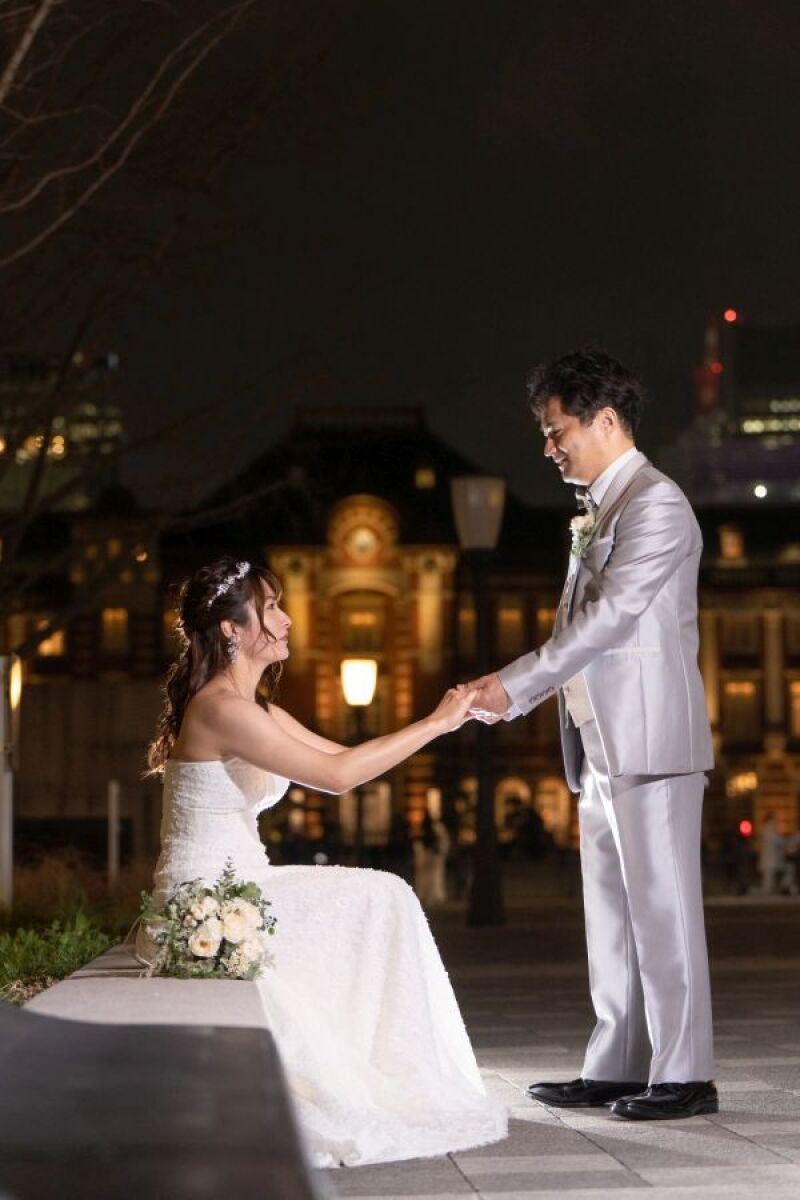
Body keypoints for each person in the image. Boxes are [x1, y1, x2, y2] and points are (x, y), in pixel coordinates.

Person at [136, 557, 506, 1168]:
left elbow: (349, 758)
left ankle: (384, 1069)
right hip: (208, 898)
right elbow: (336, 778)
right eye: (272, 607)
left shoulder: (255, 708)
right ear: (231, 628)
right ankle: (383, 1075)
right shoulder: (221, 709)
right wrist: (436, 723)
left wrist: (451, 717)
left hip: (244, 884)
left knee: (385, 895)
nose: (286, 620)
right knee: (383, 895)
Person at [468, 348, 717, 1121]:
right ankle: (615, 1063)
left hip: (652, 740)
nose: (548, 446)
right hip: (599, 741)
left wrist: (512, 684)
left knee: (665, 911)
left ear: (606, 420)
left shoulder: (657, 503)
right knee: (610, 912)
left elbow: (608, 623)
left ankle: (686, 1072)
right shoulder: (599, 511)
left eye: (557, 429)